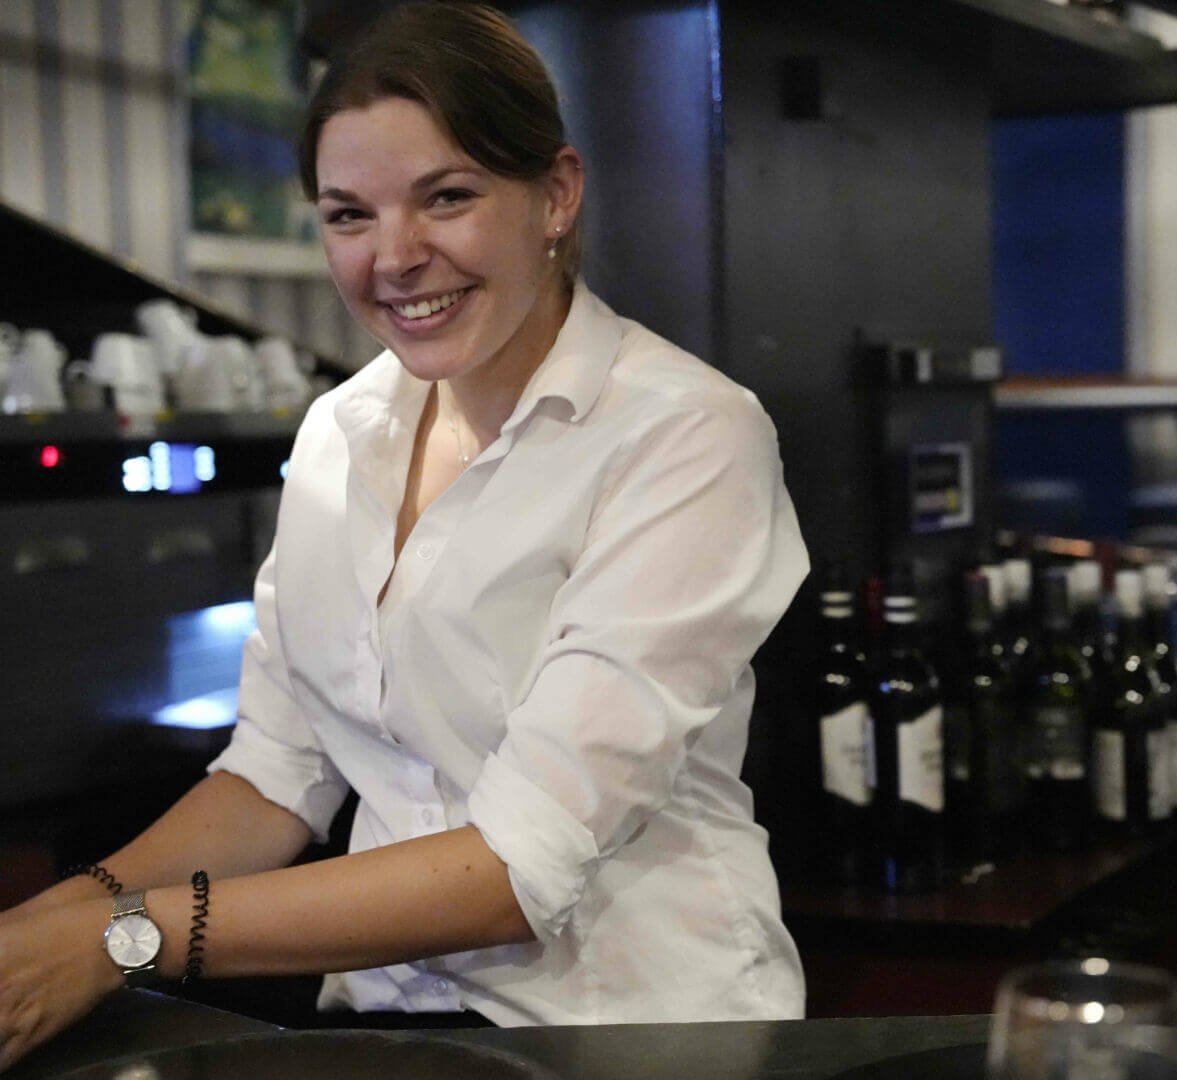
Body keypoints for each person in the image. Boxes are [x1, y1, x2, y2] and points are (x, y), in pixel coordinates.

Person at [0, 2, 807, 1068]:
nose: (395, 256)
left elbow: (516, 865)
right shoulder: (340, 431)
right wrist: (43, 927)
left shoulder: (685, 433)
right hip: (389, 1017)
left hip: (636, 1028)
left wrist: (120, 938)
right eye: (349, 215)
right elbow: (274, 775)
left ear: (556, 194)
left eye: (448, 197)